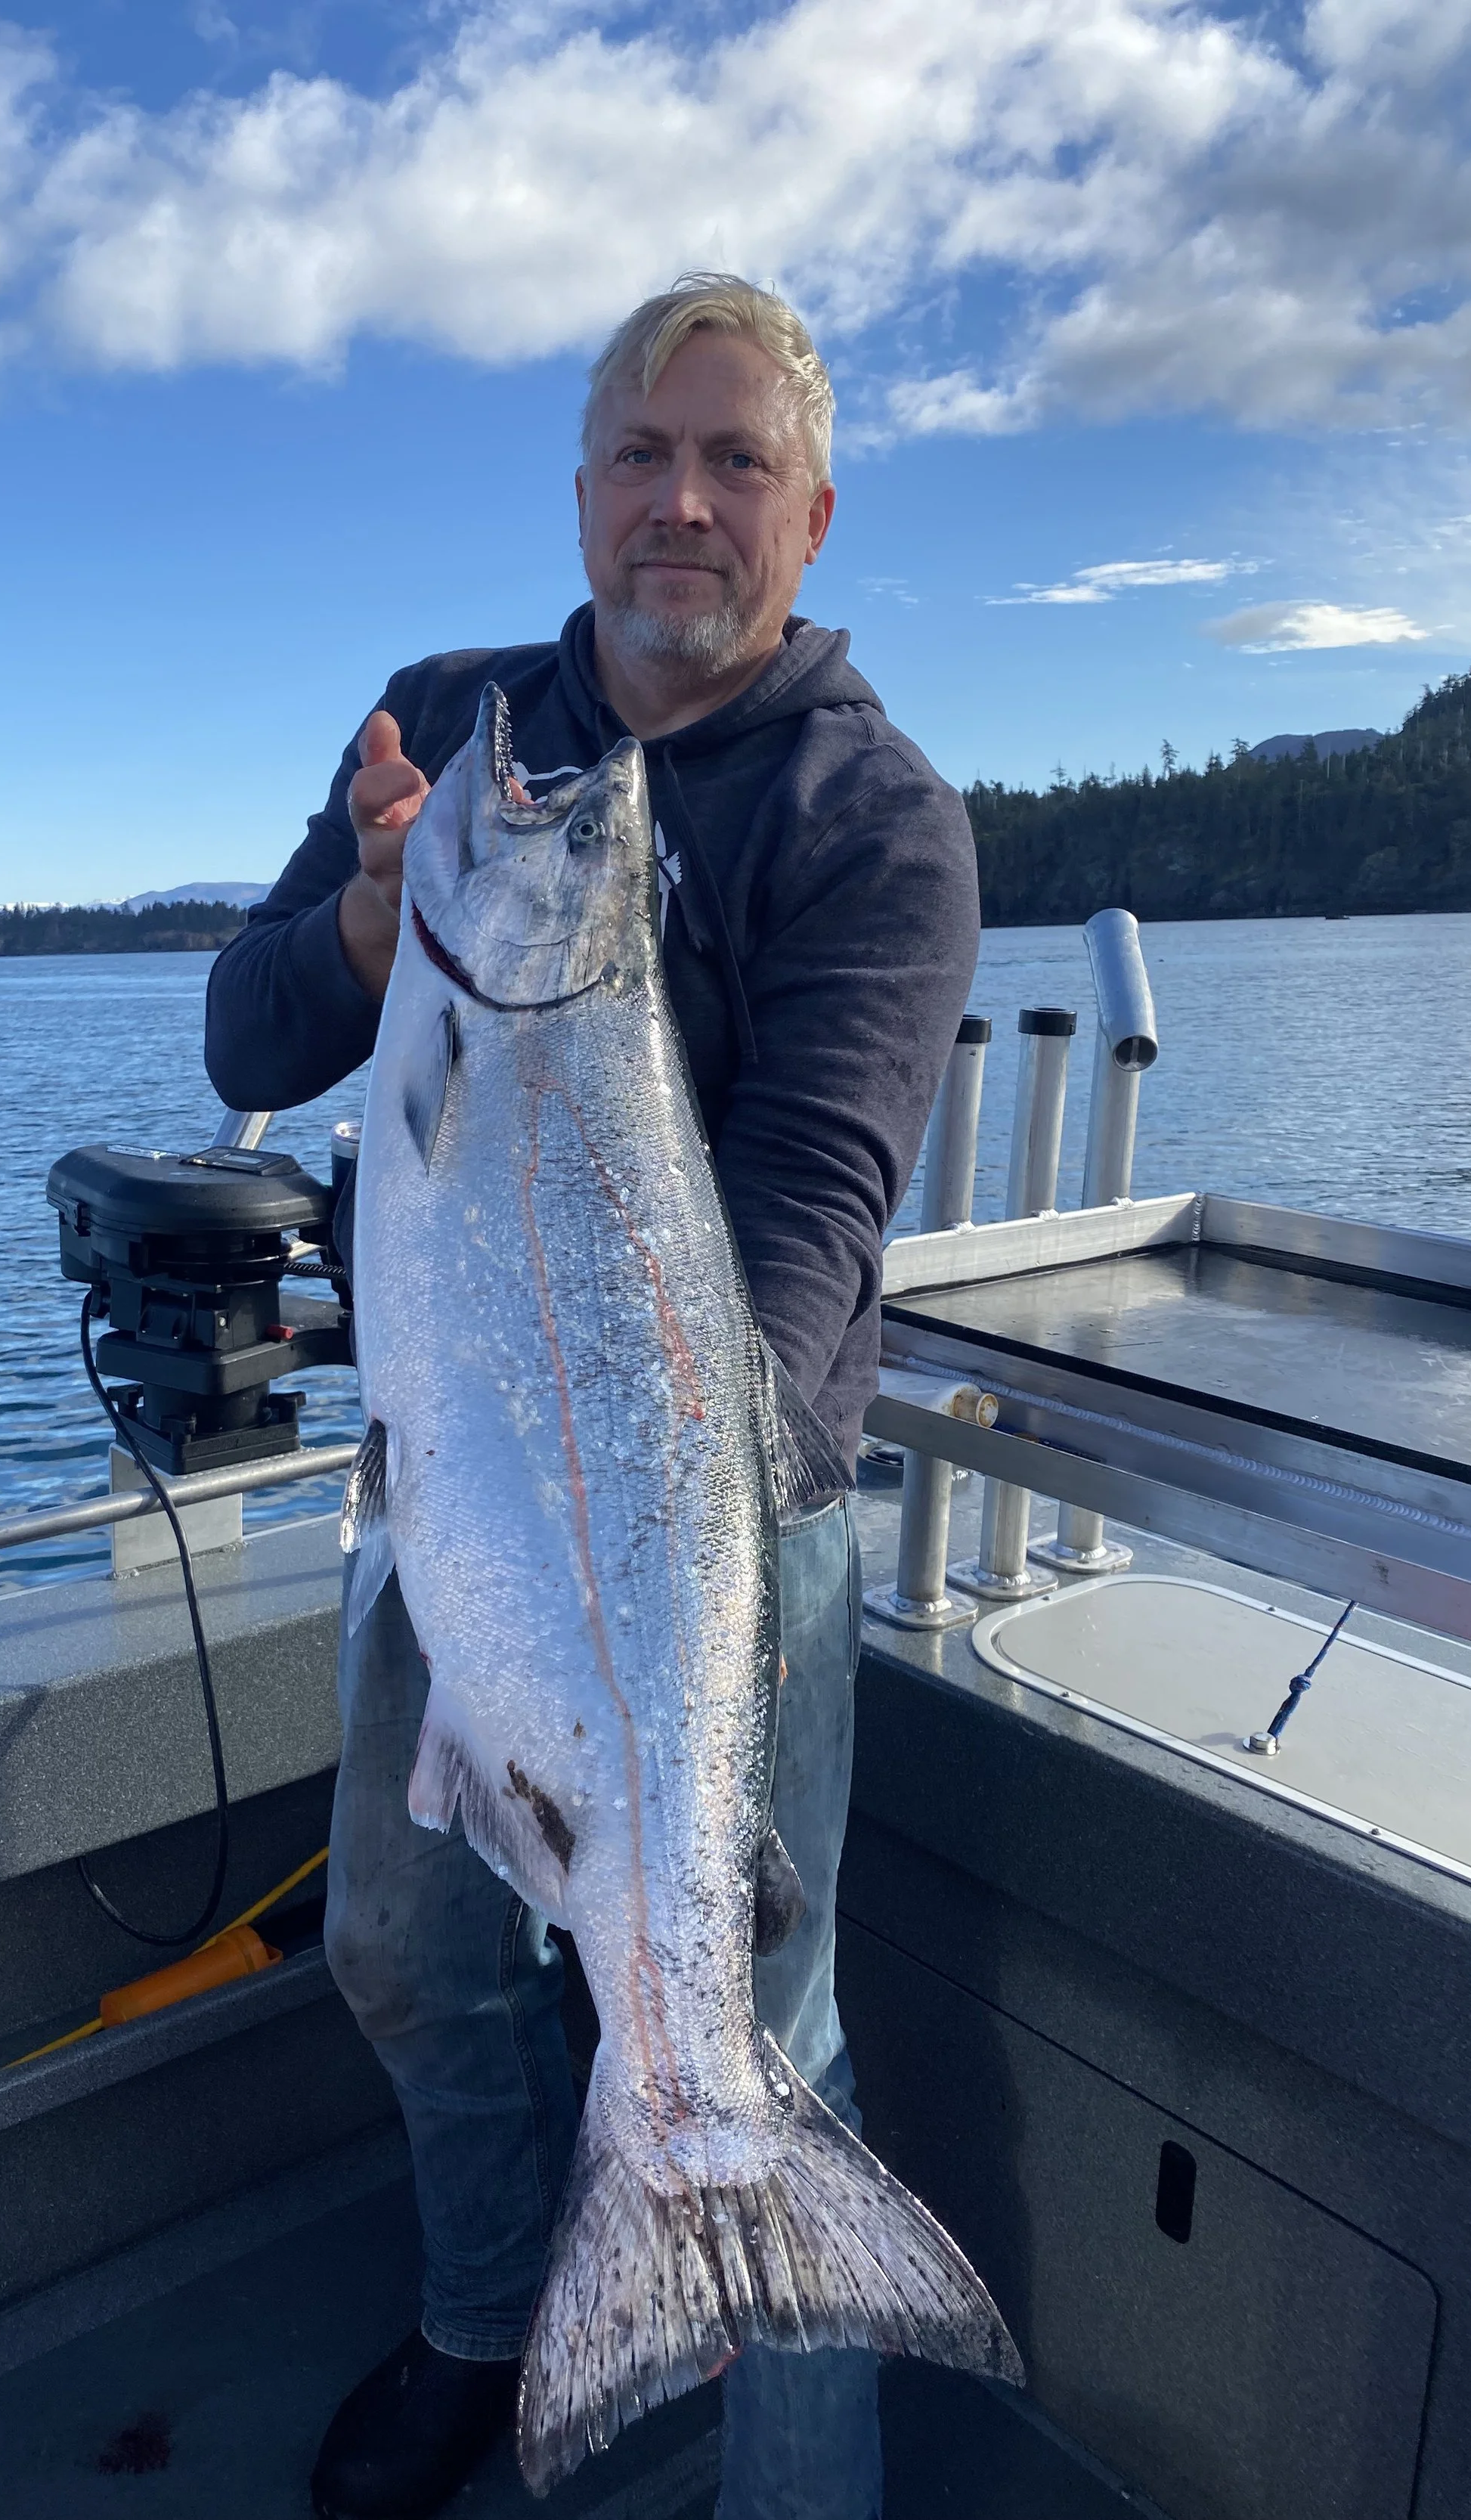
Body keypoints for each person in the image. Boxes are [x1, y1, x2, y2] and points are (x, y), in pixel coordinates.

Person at [204, 273, 980, 2520]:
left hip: (733, 1525)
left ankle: (786, 2471)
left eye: (736, 463)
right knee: (396, 1943)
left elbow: (808, 1222)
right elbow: (250, 1039)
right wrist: (370, 928)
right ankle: (487, 2320)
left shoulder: (878, 819)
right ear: (578, 493)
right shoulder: (449, 732)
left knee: (753, 2034)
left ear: (809, 516)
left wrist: (658, 1551)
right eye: (643, 454)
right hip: (451, 1489)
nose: (682, 503)